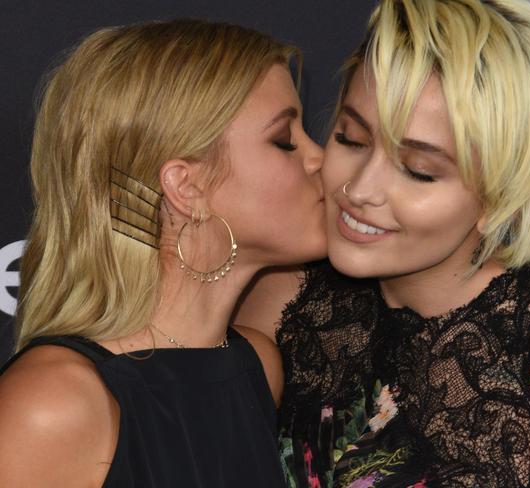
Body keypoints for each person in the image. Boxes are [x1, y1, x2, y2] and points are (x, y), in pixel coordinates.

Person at [266, 1, 530, 487]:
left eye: (418, 171)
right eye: (351, 139)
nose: (359, 190)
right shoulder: (280, 294)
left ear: (504, 197)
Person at [0, 19, 326, 487]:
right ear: (186, 186)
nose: (319, 158)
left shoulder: (257, 366)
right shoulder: (53, 405)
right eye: (284, 141)